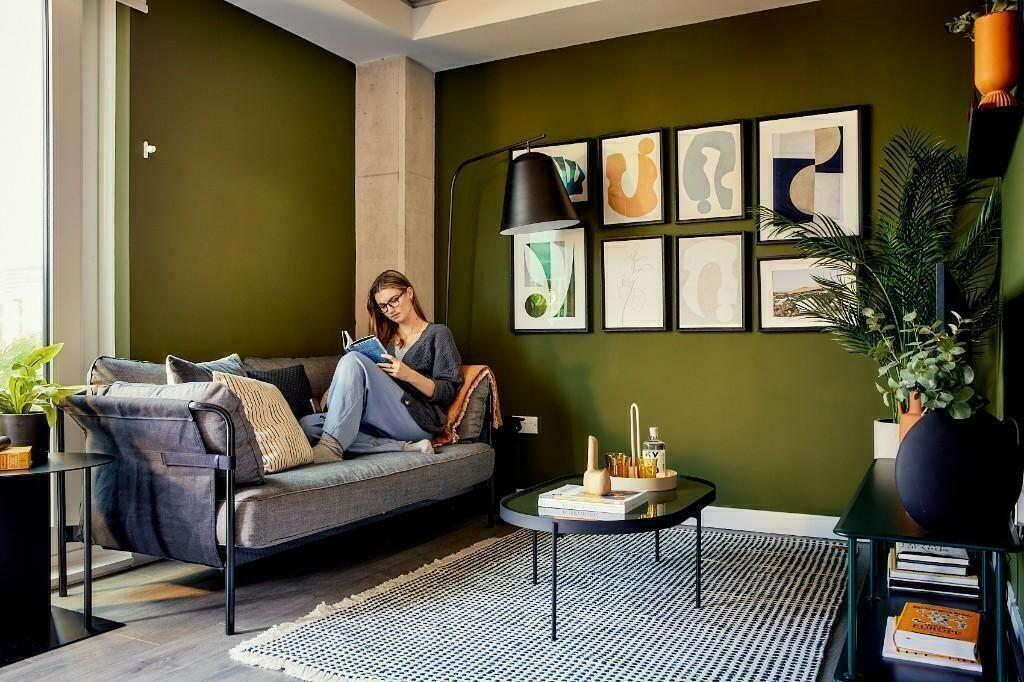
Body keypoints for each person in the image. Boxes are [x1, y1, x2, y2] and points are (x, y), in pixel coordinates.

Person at [300, 270, 463, 460]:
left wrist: (409, 375)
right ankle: (408, 447)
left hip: (417, 419)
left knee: (353, 359)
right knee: (308, 425)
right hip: (380, 419)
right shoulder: (385, 341)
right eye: (383, 306)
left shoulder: (438, 334)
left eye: (394, 300)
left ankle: (331, 448)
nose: (390, 310)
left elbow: (448, 391)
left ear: (409, 293)